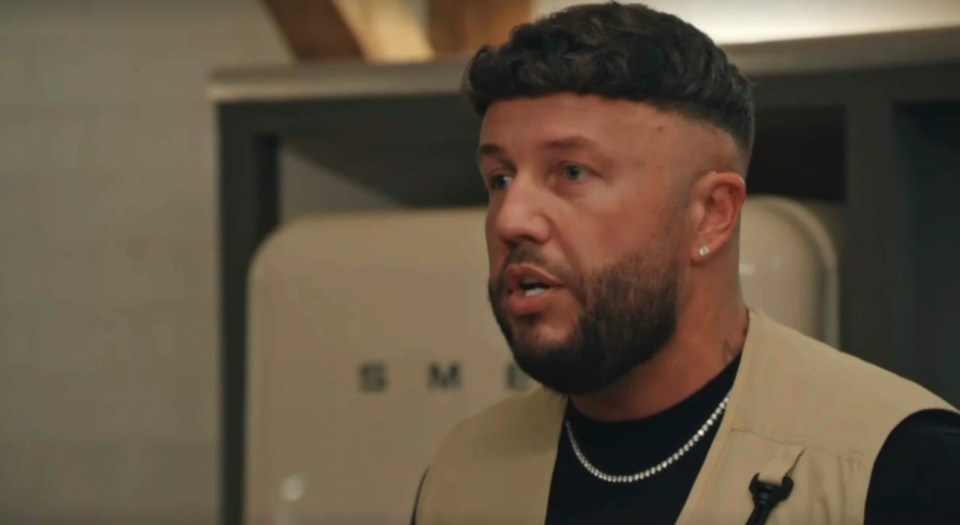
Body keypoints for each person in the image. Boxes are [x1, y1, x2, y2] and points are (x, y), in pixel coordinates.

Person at [412, 3, 960, 524]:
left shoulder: (897, 469)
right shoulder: (463, 473)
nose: (511, 219)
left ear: (711, 216)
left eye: (571, 172)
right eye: (500, 179)